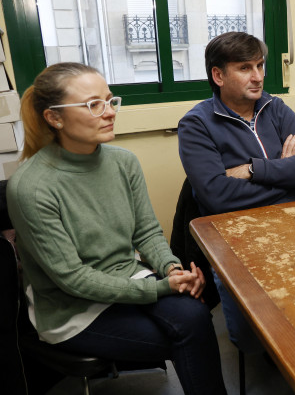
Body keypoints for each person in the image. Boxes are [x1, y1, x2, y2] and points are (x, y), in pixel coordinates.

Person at [8, 63, 226, 395]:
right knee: (185, 335)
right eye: (94, 104)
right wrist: (160, 288)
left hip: (128, 278)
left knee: (195, 316)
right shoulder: (32, 187)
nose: (109, 112)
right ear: (55, 118)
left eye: (111, 101)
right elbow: (72, 278)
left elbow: (147, 232)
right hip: (72, 309)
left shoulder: (123, 162)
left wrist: (172, 268)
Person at [178, 32, 295, 355]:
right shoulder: (196, 124)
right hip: (236, 238)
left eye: (260, 65)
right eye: (245, 68)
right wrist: (284, 172)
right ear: (218, 75)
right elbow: (216, 196)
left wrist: (254, 169)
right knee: (254, 343)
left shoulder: (275, 107)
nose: (258, 76)